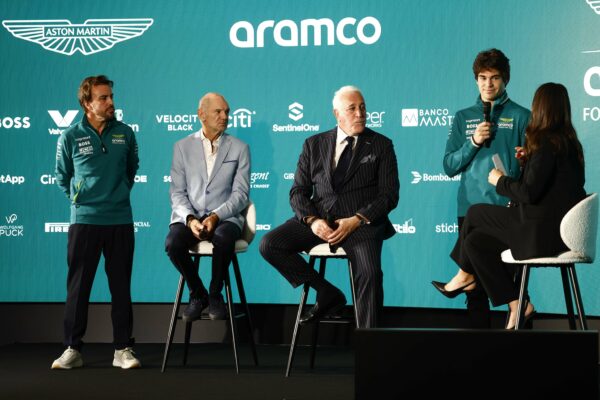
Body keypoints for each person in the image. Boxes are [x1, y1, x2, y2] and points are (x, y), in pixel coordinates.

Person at [448, 82, 586, 329]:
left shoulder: (545, 142)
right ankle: (517, 303)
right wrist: (528, 162)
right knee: (475, 242)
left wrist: (500, 180)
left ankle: (464, 274)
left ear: (540, 108)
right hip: (558, 232)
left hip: (540, 233)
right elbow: (553, 187)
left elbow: (528, 193)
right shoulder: (570, 144)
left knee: (475, 212)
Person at [260, 85, 400, 328]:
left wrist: (357, 219)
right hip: (320, 219)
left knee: (370, 274)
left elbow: (389, 195)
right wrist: (313, 222)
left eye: (363, 107)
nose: (360, 114)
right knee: (270, 244)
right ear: (337, 114)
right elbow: (298, 192)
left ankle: (370, 347)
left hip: (360, 225)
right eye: (352, 108)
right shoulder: (314, 144)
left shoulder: (380, 145)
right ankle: (326, 292)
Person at [432, 49, 530, 328]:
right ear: (476, 80)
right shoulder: (464, 117)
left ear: (505, 80)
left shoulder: (523, 116)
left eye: (495, 78)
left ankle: (527, 354)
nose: (488, 84)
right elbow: (449, 166)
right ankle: (478, 356)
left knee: (512, 282)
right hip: (469, 211)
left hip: (506, 211)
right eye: (483, 78)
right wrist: (473, 141)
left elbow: (534, 168)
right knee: (474, 291)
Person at [52, 75, 140, 369]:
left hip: (120, 220)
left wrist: (118, 194)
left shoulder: (125, 133)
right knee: (78, 288)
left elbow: (131, 170)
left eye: (111, 96)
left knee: (121, 287)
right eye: (103, 98)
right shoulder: (70, 136)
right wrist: (79, 199)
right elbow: (62, 177)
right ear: (87, 104)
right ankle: (72, 349)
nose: (111, 102)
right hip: (85, 222)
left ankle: (123, 350)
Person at [165, 93, 250, 322]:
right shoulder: (182, 147)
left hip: (226, 217)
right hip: (190, 216)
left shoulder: (240, 148)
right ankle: (197, 293)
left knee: (223, 239)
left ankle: (215, 293)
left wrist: (216, 216)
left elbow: (241, 195)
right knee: (173, 244)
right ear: (201, 114)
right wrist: (191, 219)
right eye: (218, 112)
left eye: (227, 112)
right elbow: (177, 192)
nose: (225, 116)